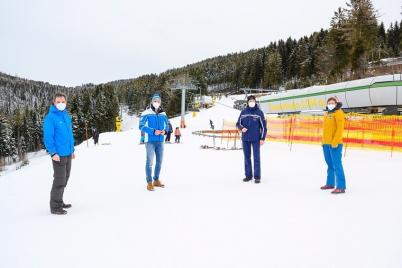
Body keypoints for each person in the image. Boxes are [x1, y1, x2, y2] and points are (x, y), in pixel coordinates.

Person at [43, 93, 75, 215]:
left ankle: (59, 201)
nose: (61, 104)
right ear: (54, 103)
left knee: (65, 178)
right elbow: (48, 137)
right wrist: (53, 153)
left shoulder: (66, 116)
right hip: (58, 155)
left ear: (66, 102)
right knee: (59, 180)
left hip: (67, 153)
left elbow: (69, 135)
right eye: (58, 102)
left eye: (63, 101)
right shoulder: (50, 118)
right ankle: (55, 207)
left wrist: (72, 150)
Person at [139, 93, 169, 191]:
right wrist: (153, 131)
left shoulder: (163, 114)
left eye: (158, 101)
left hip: (160, 141)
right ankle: (149, 183)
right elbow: (141, 126)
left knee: (159, 162)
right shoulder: (146, 113)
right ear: (152, 102)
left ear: (160, 103)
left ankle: (156, 180)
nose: (157, 102)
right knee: (150, 162)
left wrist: (165, 131)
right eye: (155, 101)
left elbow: (167, 125)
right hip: (150, 141)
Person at [236, 95, 267, 184]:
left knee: (256, 157)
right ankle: (248, 176)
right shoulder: (243, 112)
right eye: (250, 101)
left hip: (256, 139)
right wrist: (241, 128)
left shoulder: (259, 113)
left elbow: (264, 127)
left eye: (253, 101)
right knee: (246, 157)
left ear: (255, 102)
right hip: (245, 138)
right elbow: (238, 123)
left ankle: (257, 177)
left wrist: (262, 138)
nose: (252, 102)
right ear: (247, 102)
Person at [321, 97, 346, 194]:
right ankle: (330, 183)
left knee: (337, 165)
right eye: (329, 103)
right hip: (326, 143)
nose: (330, 104)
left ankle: (341, 186)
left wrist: (335, 141)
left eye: (332, 103)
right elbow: (326, 129)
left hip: (335, 144)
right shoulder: (327, 114)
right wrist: (323, 142)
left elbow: (340, 129)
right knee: (330, 164)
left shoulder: (339, 113)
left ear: (336, 104)